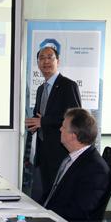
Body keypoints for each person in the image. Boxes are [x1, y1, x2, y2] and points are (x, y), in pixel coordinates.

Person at [25, 42, 81, 202]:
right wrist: (33, 125)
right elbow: (39, 116)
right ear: (38, 64)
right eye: (42, 58)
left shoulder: (68, 85)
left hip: (61, 151)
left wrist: (43, 122)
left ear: (58, 61)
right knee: (45, 195)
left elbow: (75, 117)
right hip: (43, 152)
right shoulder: (40, 89)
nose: (46, 61)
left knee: (60, 196)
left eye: (50, 57)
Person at [43, 108, 109, 222]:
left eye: (63, 127)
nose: (60, 129)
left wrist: (45, 215)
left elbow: (79, 210)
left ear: (73, 135)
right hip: (54, 219)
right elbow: (52, 193)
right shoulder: (71, 158)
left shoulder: (95, 168)